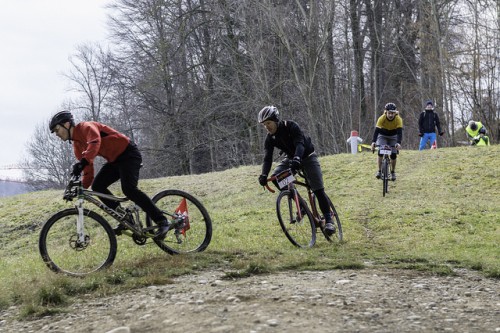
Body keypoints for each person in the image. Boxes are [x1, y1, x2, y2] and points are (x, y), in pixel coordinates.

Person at [49, 111, 170, 237]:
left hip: (129, 154)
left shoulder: (86, 127)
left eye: (57, 130)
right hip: (114, 161)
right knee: (97, 186)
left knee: (129, 189)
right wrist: (80, 189)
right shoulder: (77, 145)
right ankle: (124, 216)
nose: (57, 134)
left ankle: (162, 221)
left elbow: (95, 142)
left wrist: (83, 161)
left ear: (67, 124)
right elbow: (88, 172)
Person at [256, 106, 336, 235]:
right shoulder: (270, 139)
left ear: (275, 120)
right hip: (291, 158)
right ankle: (302, 206)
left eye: (268, 123)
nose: (267, 127)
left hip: (307, 156)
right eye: (264, 125)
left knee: (318, 189)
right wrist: (264, 175)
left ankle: (328, 221)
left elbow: (300, 144)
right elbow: (267, 158)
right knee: (277, 178)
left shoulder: (291, 126)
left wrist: (298, 158)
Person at [370, 102, 403, 181]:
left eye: (392, 113)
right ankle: (379, 170)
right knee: (380, 152)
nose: (391, 115)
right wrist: (373, 142)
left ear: (395, 113)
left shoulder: (398, 119)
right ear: (386, 112)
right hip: (382, 135)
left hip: (393, 136)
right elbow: (376, 131)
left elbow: (399, 133)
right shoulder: (381, 118)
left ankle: (392, 172)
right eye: (389, 113)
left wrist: (398, 143)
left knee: (393, 155)